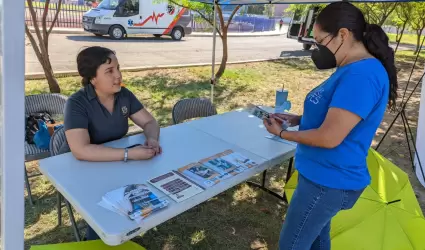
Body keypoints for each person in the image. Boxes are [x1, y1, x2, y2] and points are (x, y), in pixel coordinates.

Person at [263, 3, 397, 250]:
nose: (318, 48)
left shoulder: (362, 76)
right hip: (321, 176)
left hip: (327, 181)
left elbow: (330, 137)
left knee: (292, 245)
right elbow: (336, 117)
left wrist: (282, 133)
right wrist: (298, 119)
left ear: (343, 35)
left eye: (320, 40)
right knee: (317, 241)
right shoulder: (350, 68)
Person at [63, 46, 162, 240]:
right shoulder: (77, 103)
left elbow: (149, 122)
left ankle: (127, 232)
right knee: (103, 216)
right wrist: (128, 154)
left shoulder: (124, 95)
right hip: (86, 170)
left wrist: (152, 138)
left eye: (118, 68)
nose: (118, 75)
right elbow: (81, 150)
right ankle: (96, 239)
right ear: (92, 78)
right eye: (109, 71)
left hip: (118, 166)